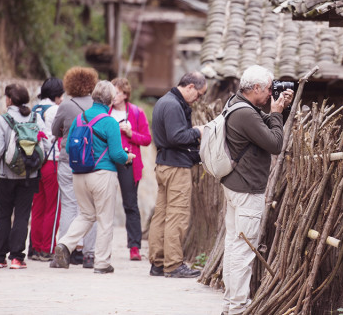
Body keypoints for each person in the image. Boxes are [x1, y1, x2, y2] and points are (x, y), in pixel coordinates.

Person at [221, 65, 293, 315]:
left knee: (233, 245)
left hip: (235, 186)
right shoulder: (246, 114)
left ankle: (231, 303)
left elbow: (267, 127)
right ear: (256, 88)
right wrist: (274, 111)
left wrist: (279, 110)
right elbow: (274, 143)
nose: (271, 92)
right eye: (269, 88)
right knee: (243, 249)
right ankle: (238, 307)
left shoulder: (237, 103)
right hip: (247, 189)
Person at [49, 80, 135, 274]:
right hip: (102, 175)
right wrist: (127, 156)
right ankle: (102, 263)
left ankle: (64, 244)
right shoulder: (110, 121)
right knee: (104, 219)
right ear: (111, 100)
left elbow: (70, 146)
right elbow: (116, 154)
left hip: (79, 174)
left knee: (86, 215)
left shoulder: (80, 118)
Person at [148, 71, 207, 278]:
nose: (198, 99)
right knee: (177, 216)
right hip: (176, 168)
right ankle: (173, 265)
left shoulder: (164, 101)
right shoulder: (173, 105)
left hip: (163, 164)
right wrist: (198, 131)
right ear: (190, 87)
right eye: (199, 94)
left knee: (161, 215)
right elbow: (176, 137)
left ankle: (158, 262)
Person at [0, 83, 47, 269]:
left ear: (10, 100)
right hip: (29, 176)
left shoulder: (2, 120)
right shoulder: (35, 118)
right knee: (22, 215)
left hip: (5, 175)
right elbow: (45, 146)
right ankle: (16, 257)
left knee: (4, 215)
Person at [51, 66, 99, 268]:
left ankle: (64, 252)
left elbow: (55, 130)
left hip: (68, 160)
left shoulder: (66, 105)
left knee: (69, 206)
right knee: (92, 209)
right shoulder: (98, 106)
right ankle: (89, 254)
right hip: (92, 162)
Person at [109, 77, 152, 261]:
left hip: (129, 160)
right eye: (112, 92)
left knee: (130, 204)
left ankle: (134, 246)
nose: (114, 96)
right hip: (108, 161)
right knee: (103, 205)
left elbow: (147, 139)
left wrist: (130, 133)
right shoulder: (105, 112)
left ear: (125, 94)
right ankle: (100, 248)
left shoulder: (136, 112)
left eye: (117, 92)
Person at [29, 77, 64, 262]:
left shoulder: (34, 108)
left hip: (36, 161)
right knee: (53, 207)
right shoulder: (55, 110)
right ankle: (47, 248)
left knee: (38, 207)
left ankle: (34, 247)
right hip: (52, 161)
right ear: (57, 94)